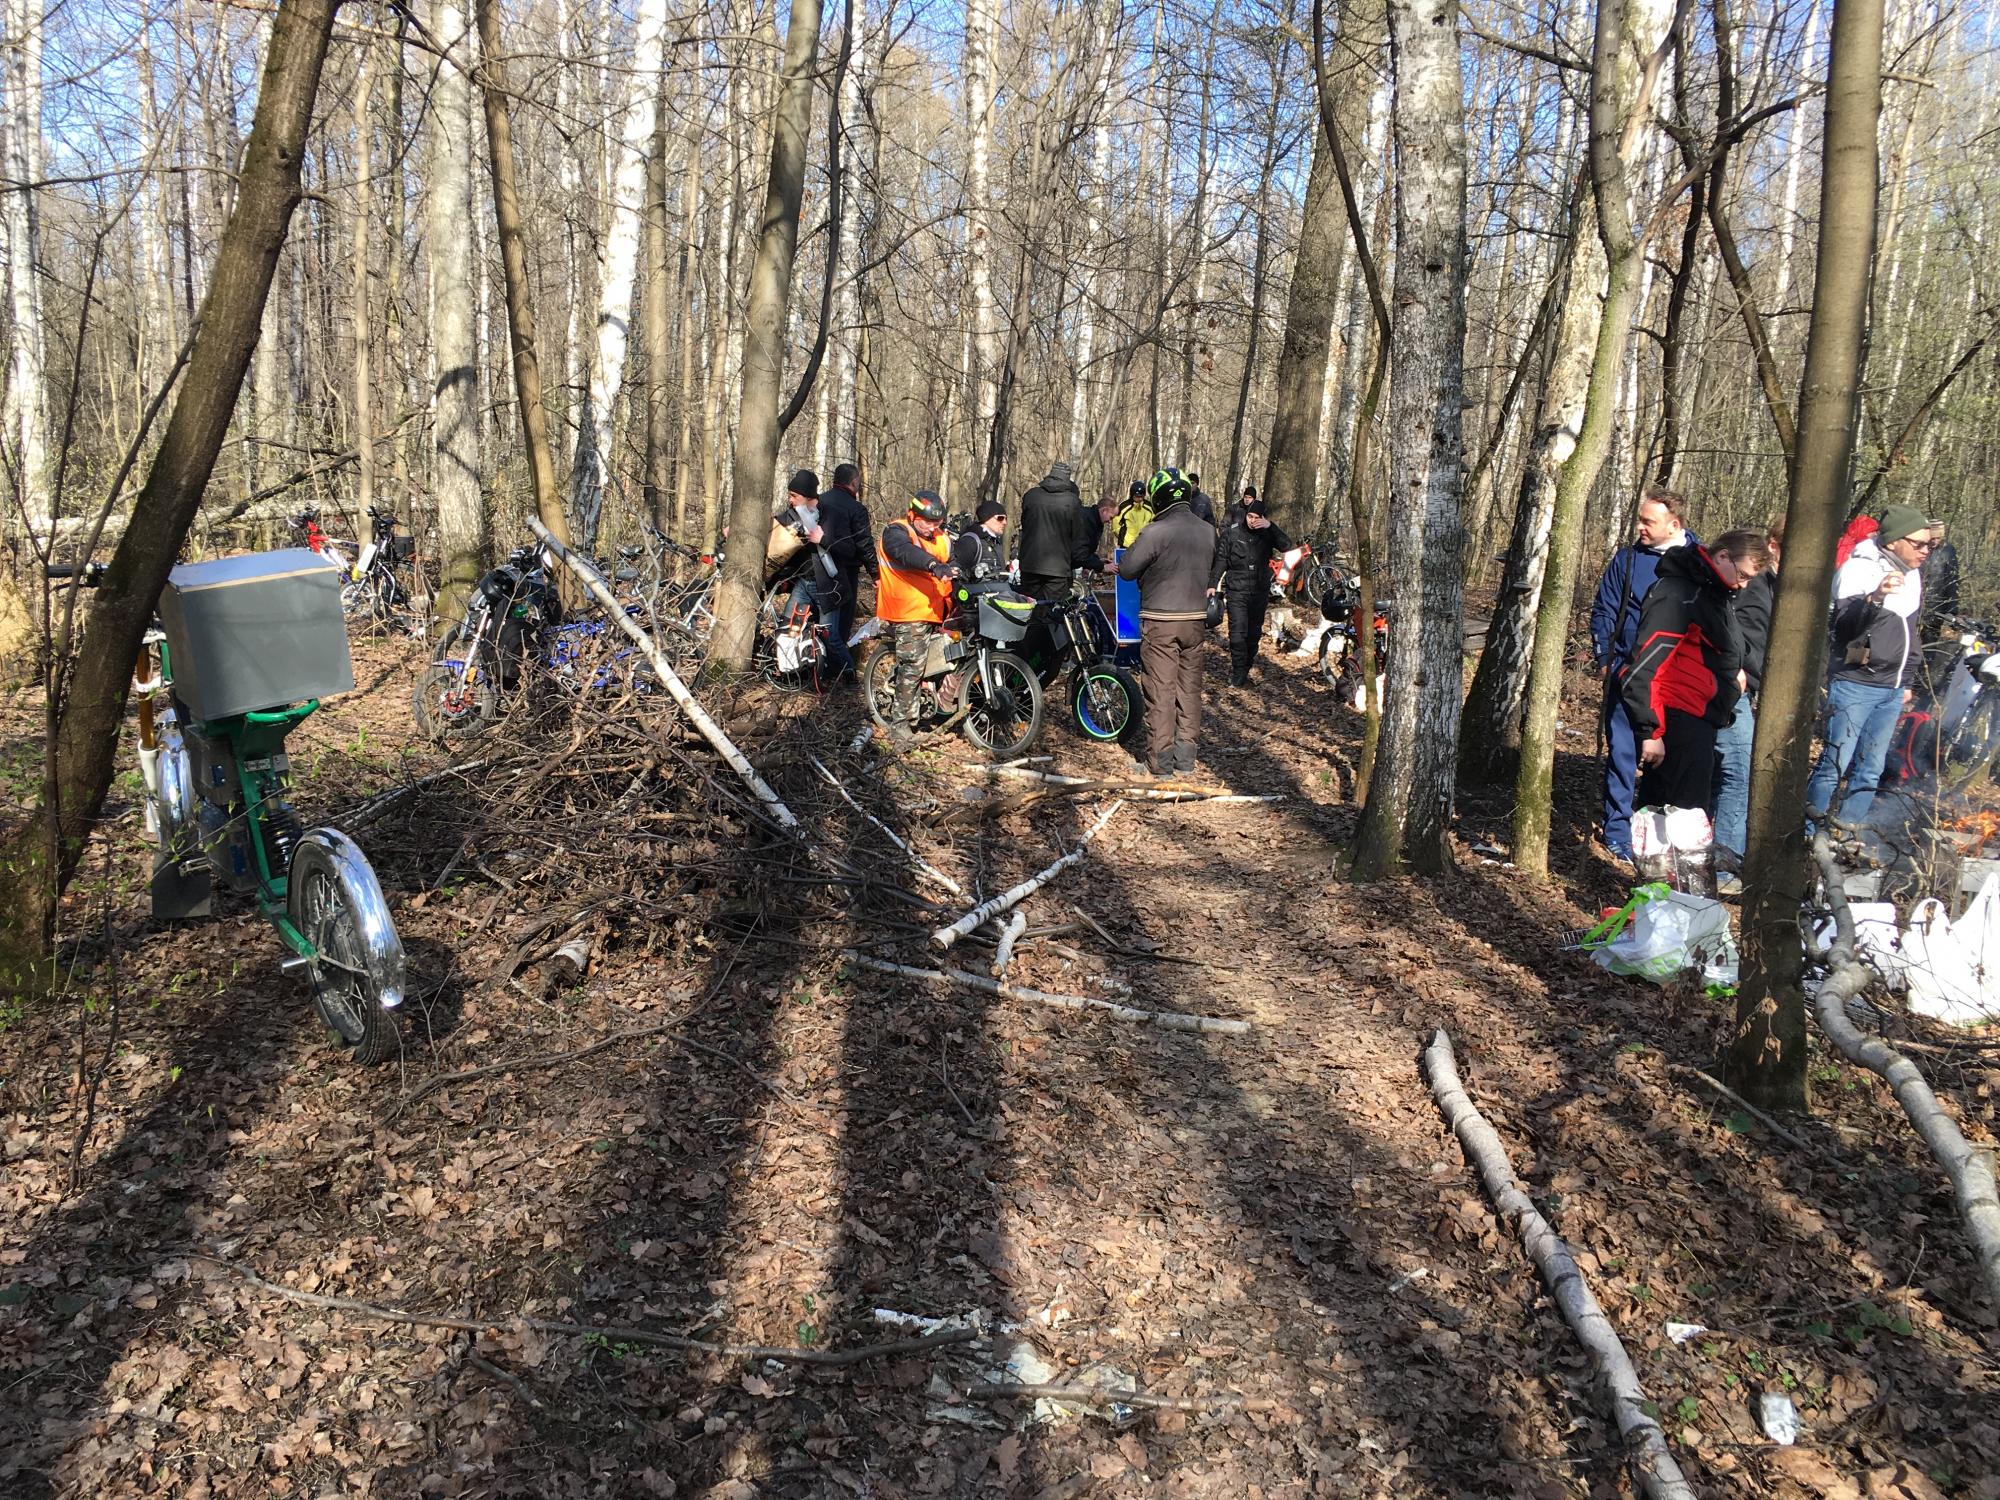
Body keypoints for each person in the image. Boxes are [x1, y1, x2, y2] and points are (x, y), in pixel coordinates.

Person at [1805, 503, 1940, 825]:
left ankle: (1848, 833)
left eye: (1930, 545)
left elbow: (1910, 635)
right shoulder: (1857, 570)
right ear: (1893, 542)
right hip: (1856, 684)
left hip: (1892, 688)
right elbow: (1843, 628)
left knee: (1871, 769)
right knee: (1834, 764)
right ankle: (1808, 832)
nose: (1926, 551)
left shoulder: (1912, 575)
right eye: (1919, 544)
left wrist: (1907, 681)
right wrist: (1875, 597)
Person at [1622, 529, 1768, 816]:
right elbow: (1645, 665)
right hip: (1676, 723)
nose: (1743, 585)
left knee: (1687, 818)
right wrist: (1651, 731)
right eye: (1743, 575)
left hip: (1702, 720)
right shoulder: (1679, 593)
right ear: (1723, 556)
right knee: (1673, 819)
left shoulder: (1715, 594)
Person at [1589, 486, 1696, 860]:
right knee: (1623, 753)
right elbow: (1604, 610)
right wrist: (1606, 659)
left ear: (1674, 525)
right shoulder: (1627, 560)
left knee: (1669, 758)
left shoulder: (1698, 562)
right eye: (1640, 519)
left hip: (1678, 680)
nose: (1640, 527)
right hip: (1628, 672)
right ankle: (1617, 831)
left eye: (1648, 522)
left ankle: (1658, 832)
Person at [1119, 468, 1217, 777]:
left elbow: (1127, 568)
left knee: (1160, 690)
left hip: (1161, 620)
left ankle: (1159, 764)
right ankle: (1185, 761)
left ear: (1158, 498)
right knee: (1189, 690)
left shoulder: (1155, 531)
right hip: (1196, 619)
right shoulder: (1208, 531)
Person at [1712, 518, 1782, 886]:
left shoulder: (1766, 585)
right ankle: (1725, 868)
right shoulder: (1756, 586)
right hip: (1731, 691)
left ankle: (1706, 860)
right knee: (1738, 776)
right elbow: (1741, 640)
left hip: (1734, 688)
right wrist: (1745, 672)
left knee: (1719, 775)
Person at [876, 491, 960, 748]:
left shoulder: (943, 539)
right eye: (928, 522)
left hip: (938, 610)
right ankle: (900, 727)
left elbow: (954, 563)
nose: (933, 527)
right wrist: (934, 565)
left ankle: (933, 707)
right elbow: (905, 552)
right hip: (907, 611)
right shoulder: (897, 532)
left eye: (938, 522)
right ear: (912, 515)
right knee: (913, 665)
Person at [1210, 493, 1292, 687]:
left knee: (1253, 634)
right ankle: (1238, 672)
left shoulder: (1267, 533)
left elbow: (1287, 546)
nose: (1253, 521)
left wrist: (1270, 526)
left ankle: (1246, 667)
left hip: (1259, 590)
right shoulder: (1232, 533)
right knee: (1237, 633)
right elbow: (1221, 560)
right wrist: (1212, 584)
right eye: (1250, 516)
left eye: (1257, 517)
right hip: (1236, 590)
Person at [1016, 462, 1109, 601]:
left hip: (1029, 565)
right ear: (1067, 479)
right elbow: (1077, 539)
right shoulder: (1072, 502)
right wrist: (1090, 562)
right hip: (1058, 569)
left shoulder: (1031, 496)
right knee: (1053, 608)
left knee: (1028, 606)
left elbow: (1025, 525)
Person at [817, 463, 875, 680]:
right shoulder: (856, 509)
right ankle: (840, 670)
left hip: (818, 569)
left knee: (820, 618)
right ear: (853, 482)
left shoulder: (819, 501)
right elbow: (864, 544)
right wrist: (875, 574)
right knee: (841, 622)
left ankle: (819, 664)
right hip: (846, 572)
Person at [952, 499, 1009, 581]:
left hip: (997, 588)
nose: (1004, 522)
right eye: (1000, 518)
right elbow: (956, 572)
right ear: (987, 518)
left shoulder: (996, 542)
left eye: (1006, 519)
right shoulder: (970, 541)